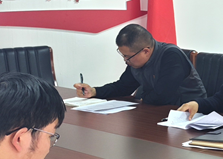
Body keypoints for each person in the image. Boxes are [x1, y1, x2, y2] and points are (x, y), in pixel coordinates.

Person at [74, 23, 206, 106]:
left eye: (127, 56)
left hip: (186, 114)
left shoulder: (171, 56)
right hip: (155, 113)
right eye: (123, 55)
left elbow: (163, 96)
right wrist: (95, 91)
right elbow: (123, 86)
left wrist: (141, 98)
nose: (125, 60)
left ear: (146, 51)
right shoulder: (136, 61)